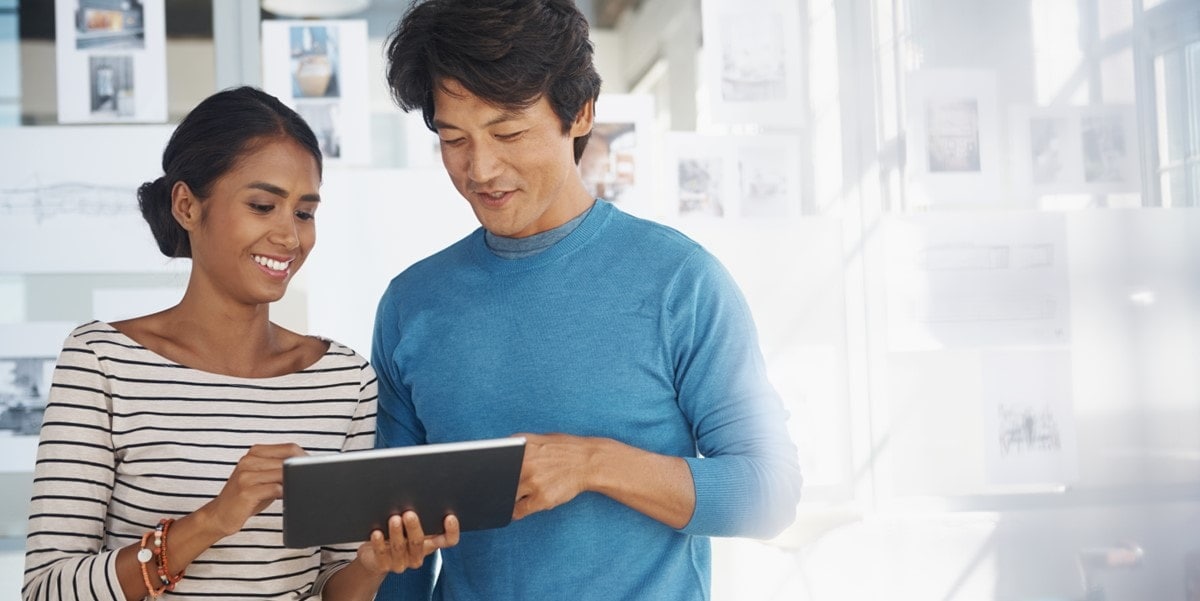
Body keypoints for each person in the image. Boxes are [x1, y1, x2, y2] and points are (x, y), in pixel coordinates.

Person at [373, 1, 804, 599]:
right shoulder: (410, 305)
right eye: (454, 139)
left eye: (508, 132)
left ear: (580, 115)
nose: (481, 168)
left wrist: (595, 464)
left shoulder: (680, 281)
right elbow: (402, 552)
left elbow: (770, 493)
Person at [22, 86, 458, 601]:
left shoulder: (344, 380)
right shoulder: (101, 362)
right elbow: (45, 590)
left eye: (303, 213)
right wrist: (211, 520)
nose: (290, 237)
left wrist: (372, 566)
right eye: (262, 205)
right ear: (186, 205)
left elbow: (332, 590)